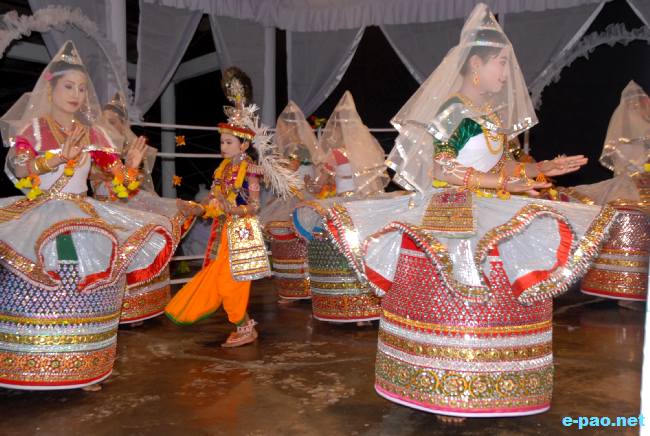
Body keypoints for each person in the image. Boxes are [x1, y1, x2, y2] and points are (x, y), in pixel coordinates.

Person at [352, 4, 616, 420]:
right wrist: (501, 184)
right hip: (452, 214)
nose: (507, 74)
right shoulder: (453, 110)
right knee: (459, 298)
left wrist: (540, 169)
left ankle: (494, 386)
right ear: (475, 64)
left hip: (489, 206)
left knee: (500, 297)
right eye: (501, 63)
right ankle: (448, 390)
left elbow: (501, 167)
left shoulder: (488, 115)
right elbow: (442, 169)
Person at [0, 41, 175, 390]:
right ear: (50, 88)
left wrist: (132, 166)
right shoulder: (34, 129)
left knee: (86, 280)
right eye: (69, 87)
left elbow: (119, 182)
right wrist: (56, 158)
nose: (76, 95)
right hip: (42, 214)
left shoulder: (93, 133)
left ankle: (82, 368)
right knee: (42, 278)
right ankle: (27, 364)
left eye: (82, 88)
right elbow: (20, 169)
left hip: (82, 212)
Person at [165, 68, 298, 347]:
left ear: (244, 145)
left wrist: (231, 209)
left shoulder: (250, 171)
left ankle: (244, 326)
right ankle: (242, 325)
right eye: (222, 141)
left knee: (231, 282)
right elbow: (214, 201)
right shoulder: (222, 169)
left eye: (228, 142)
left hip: (242, 232)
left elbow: (254, 206)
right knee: (218, 277)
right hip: (223, 230)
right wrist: (198, 208)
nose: (223, 146)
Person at [90, 92, 201, 325]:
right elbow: (100, 182)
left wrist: (131, 168)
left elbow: (136, 186)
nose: (113, 127)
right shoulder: (96, 151)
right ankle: (118, 309)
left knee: (152, 227)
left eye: (116, 122)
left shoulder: (129, 151)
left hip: (128, 203)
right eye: (108, 121)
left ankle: (142, 307)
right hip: (105, 208)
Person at [567, 81, 649, 305]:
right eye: (645, 101)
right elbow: (631, 167)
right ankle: (622, 285)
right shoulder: (630, 134)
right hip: (632, 185)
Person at [260, 101, 325, 303]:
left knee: (294, 241)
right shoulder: (293, 148)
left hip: (297, 199)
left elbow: (291, 170)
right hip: (290, 197)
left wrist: (269, 169)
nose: (283, 130)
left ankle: (302, 289)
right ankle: (294, 289)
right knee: (287, 243)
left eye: (286, 126)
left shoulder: (297, 148)